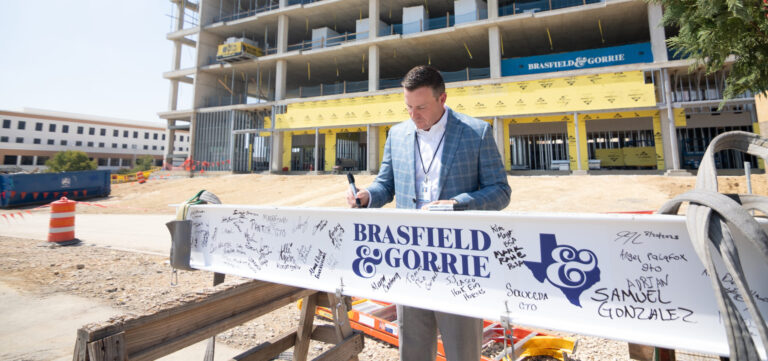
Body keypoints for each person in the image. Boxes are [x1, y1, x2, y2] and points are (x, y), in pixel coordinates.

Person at [346, 65, 511, 361]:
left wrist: (459, 204)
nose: (413, 115)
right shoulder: (396, 134)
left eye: (421, 107)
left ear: (442, 98)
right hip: (410, 258)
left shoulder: (477, 132)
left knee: (463, 352)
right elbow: (386, 184)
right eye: (408, 107)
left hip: (459, 262)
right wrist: (367, 195)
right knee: (414, 351)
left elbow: (500, 191)